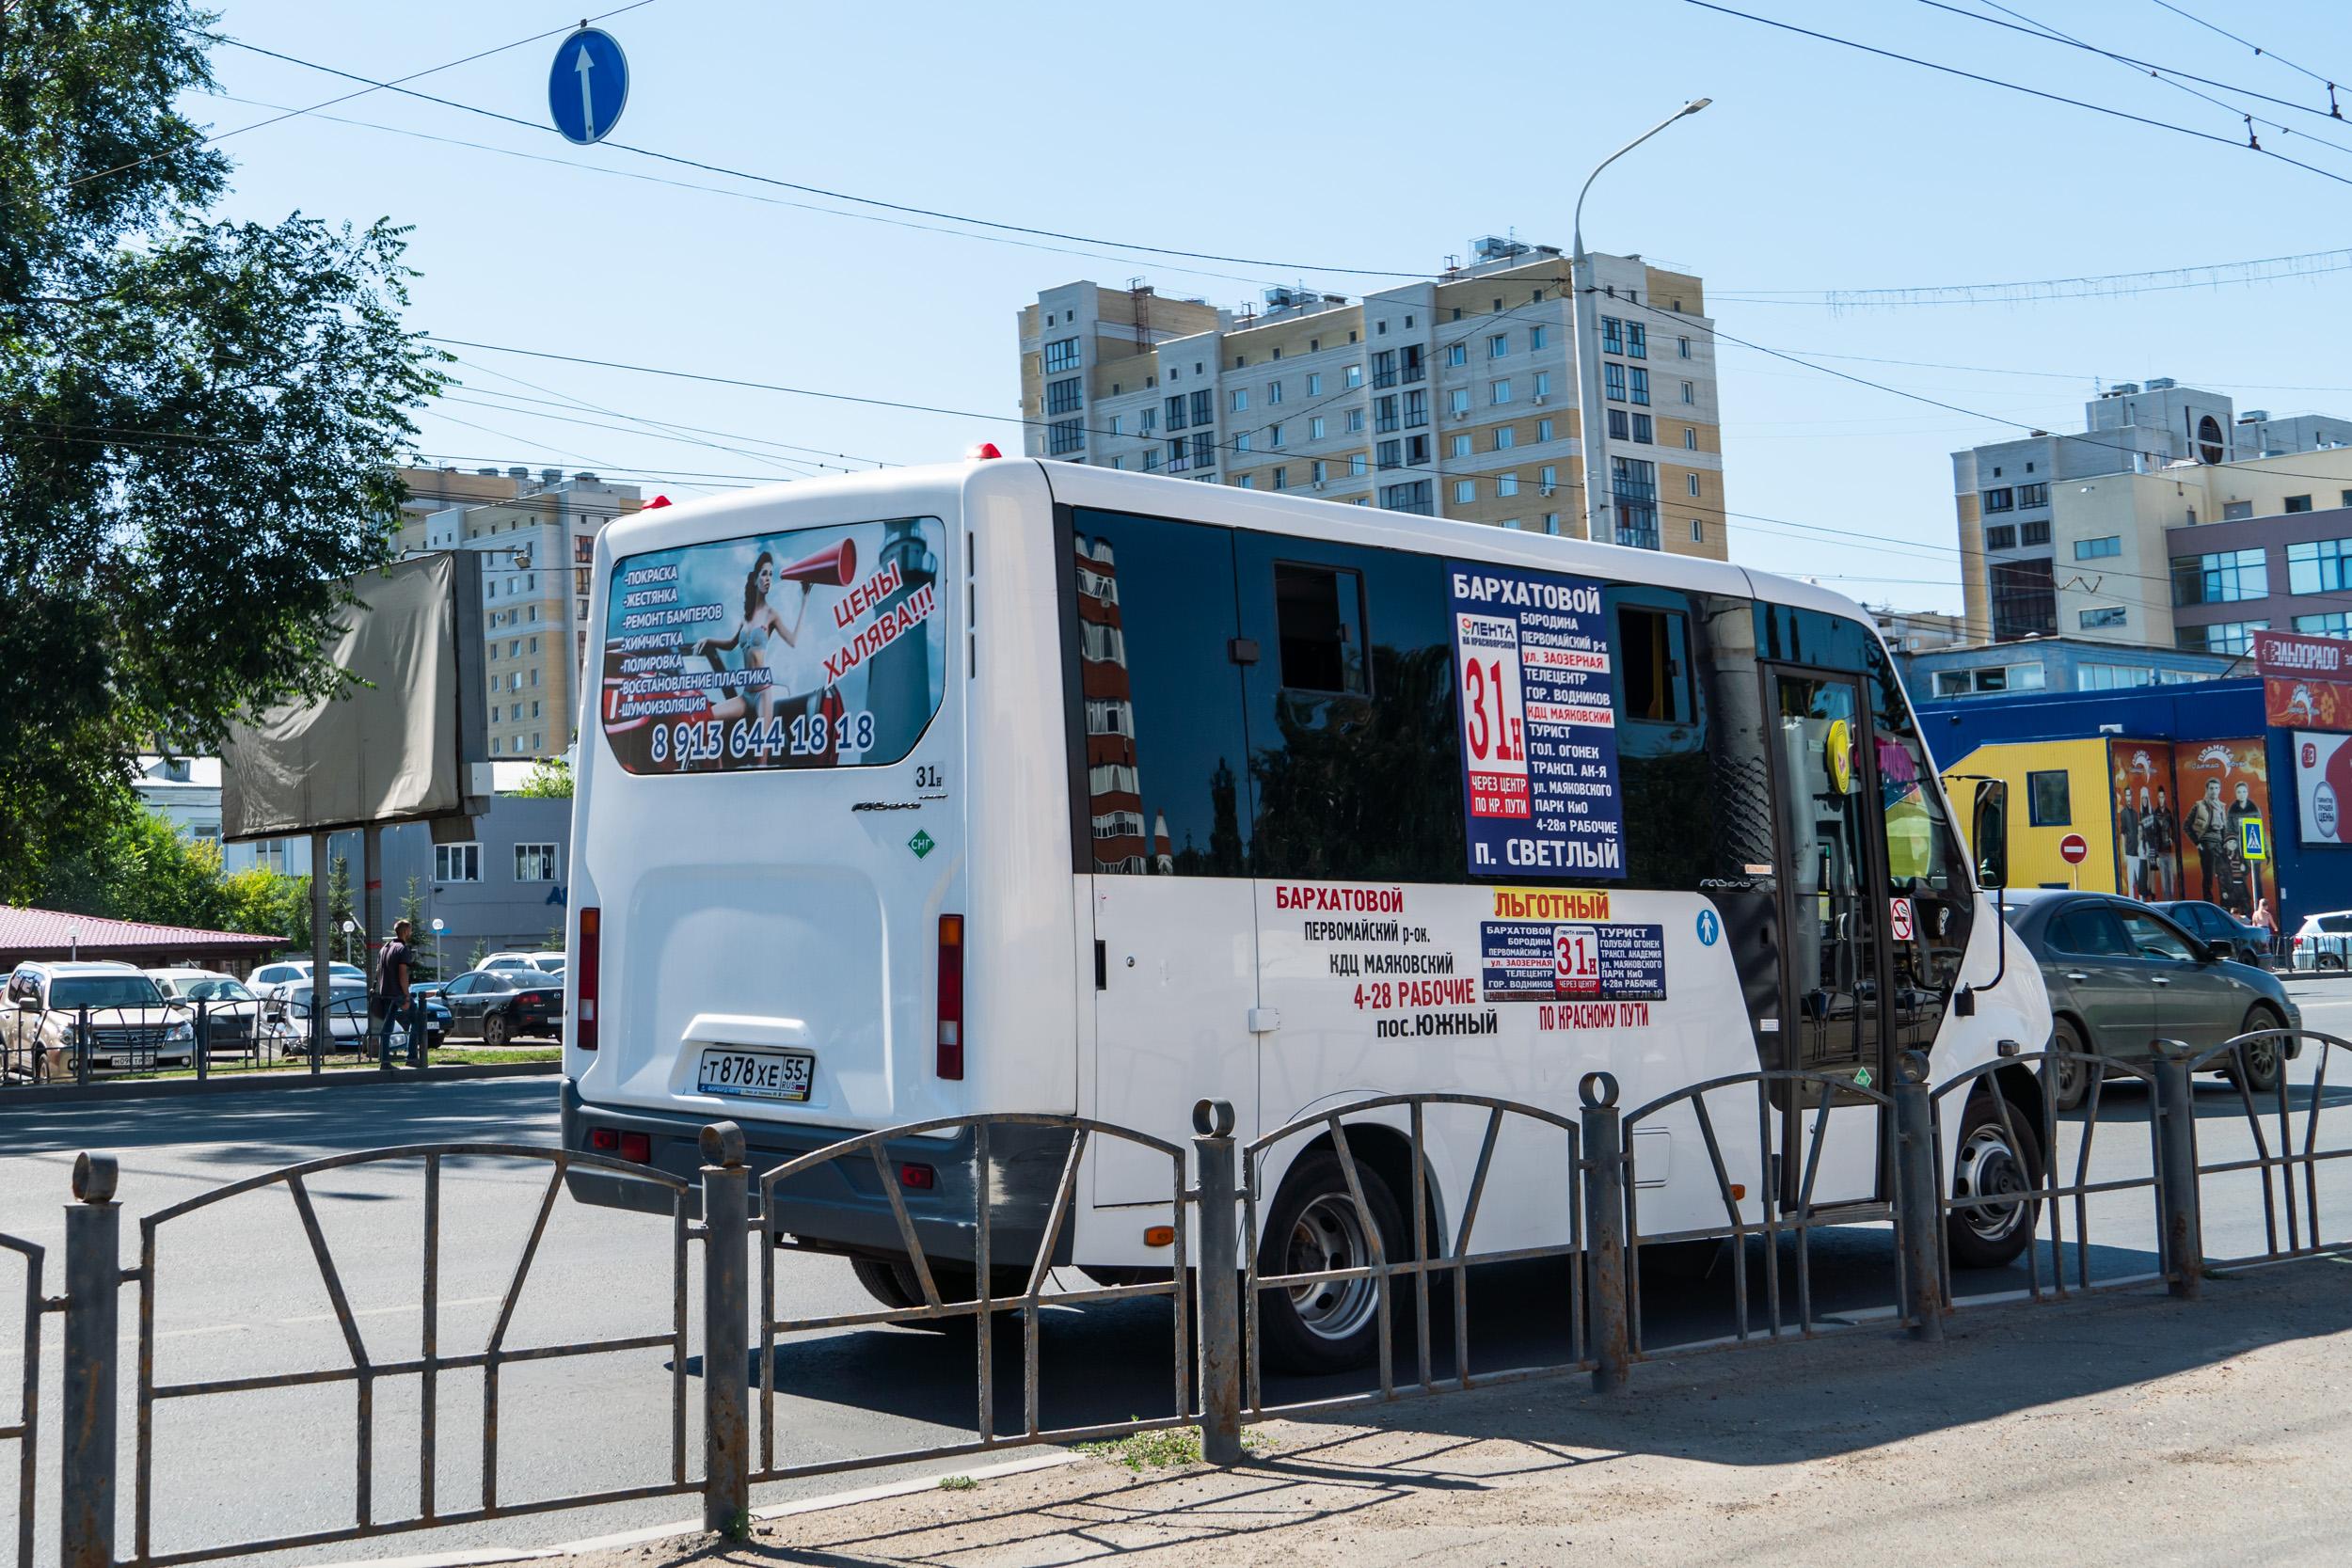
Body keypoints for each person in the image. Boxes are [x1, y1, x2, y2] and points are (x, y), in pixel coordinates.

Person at [693, 550, 811, 725]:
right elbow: (731, 644)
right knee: (706, 718)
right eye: (764, 574)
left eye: (771, 574)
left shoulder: (772, 615)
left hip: (763, 693)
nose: (768, 578)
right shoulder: (746, 617)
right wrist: (708, 639)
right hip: (745, 695)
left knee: (762, 752)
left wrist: (805, 599)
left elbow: (793, 640)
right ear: (756, 579)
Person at [375, 919, 417, 1054]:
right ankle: (412, 1056)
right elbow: (402, 974)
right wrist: (406, 996)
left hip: (385, 992)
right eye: (410, 930)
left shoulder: (385, 948)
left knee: (387, 1027)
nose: (411, 932)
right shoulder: (402, 949)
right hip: (398, 993)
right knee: (417, 1019)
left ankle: (384, 1059)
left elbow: (378, 971)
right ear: (405, 931)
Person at [2185, 779, 2230, 907]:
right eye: (2211, 788)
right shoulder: (2199, 805)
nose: (2214, 791)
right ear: (2207, 790)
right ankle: (2209, 904)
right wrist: (2197, 842)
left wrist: (2226, 843)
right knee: (2208, 876)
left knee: (2224, 873)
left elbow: (2224, 828)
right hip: (2206, 843)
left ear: (2220, 790)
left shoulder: (2221, 806)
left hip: (2219, 844)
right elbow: (2186, 825)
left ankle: (2224, 904)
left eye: (2216, 788)